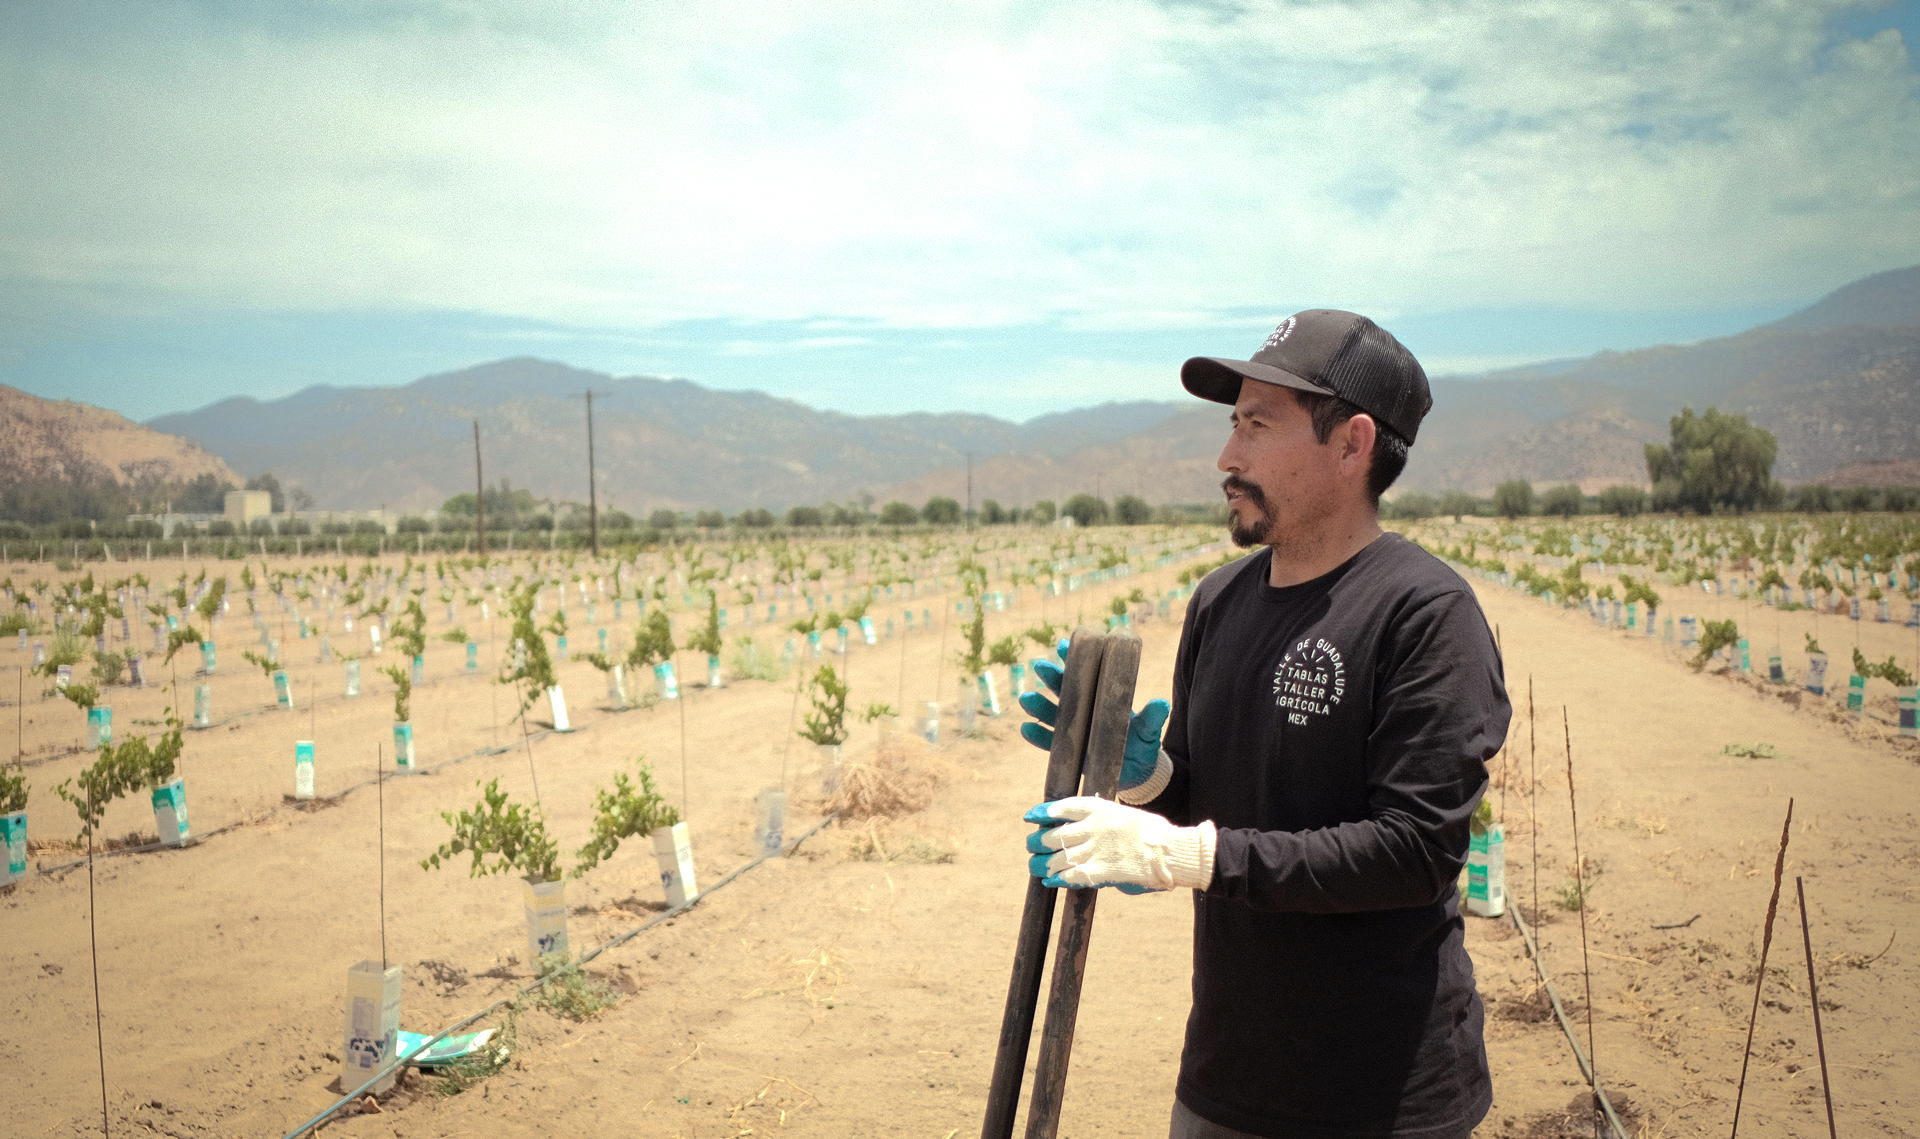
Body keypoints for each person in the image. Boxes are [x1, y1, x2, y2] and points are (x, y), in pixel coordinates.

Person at [1018, 309, 1511, 1139]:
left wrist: (1184, 854)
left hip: (1378, 1099)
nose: (1227, 456)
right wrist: (1147, 787)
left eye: (1257, 425)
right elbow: (1211, 799)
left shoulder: (1424, 613)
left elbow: (1415, 850)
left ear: (1353, 445)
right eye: (1231, 423)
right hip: (1225, 1077)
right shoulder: (1220, 600)